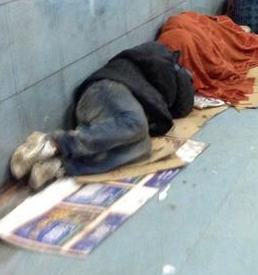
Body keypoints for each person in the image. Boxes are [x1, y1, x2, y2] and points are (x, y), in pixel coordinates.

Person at [11, 42, 194, 190]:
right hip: (106, 88)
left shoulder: (156, 97)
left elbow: (178, 110)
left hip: (108, 116)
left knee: (143, 148)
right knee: (136, 123)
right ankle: (53, 143)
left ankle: (62, 165)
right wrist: (177, 82)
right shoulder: (162, 55)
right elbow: (178, 103)